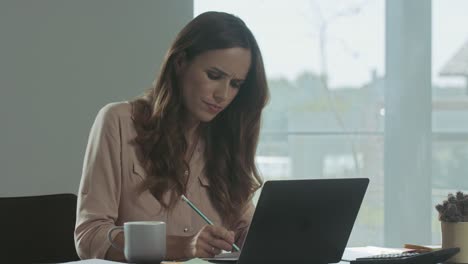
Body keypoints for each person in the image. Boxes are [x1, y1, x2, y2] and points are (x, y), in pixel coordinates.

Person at [74, 11, 269, 261]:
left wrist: (262, 235)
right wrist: (184, 247)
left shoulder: (226, 140)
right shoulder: (118, 122)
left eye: (235, 84)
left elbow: (245, 228)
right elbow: (90, 236)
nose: (223, 95)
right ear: (180, 63)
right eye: (214, 76)